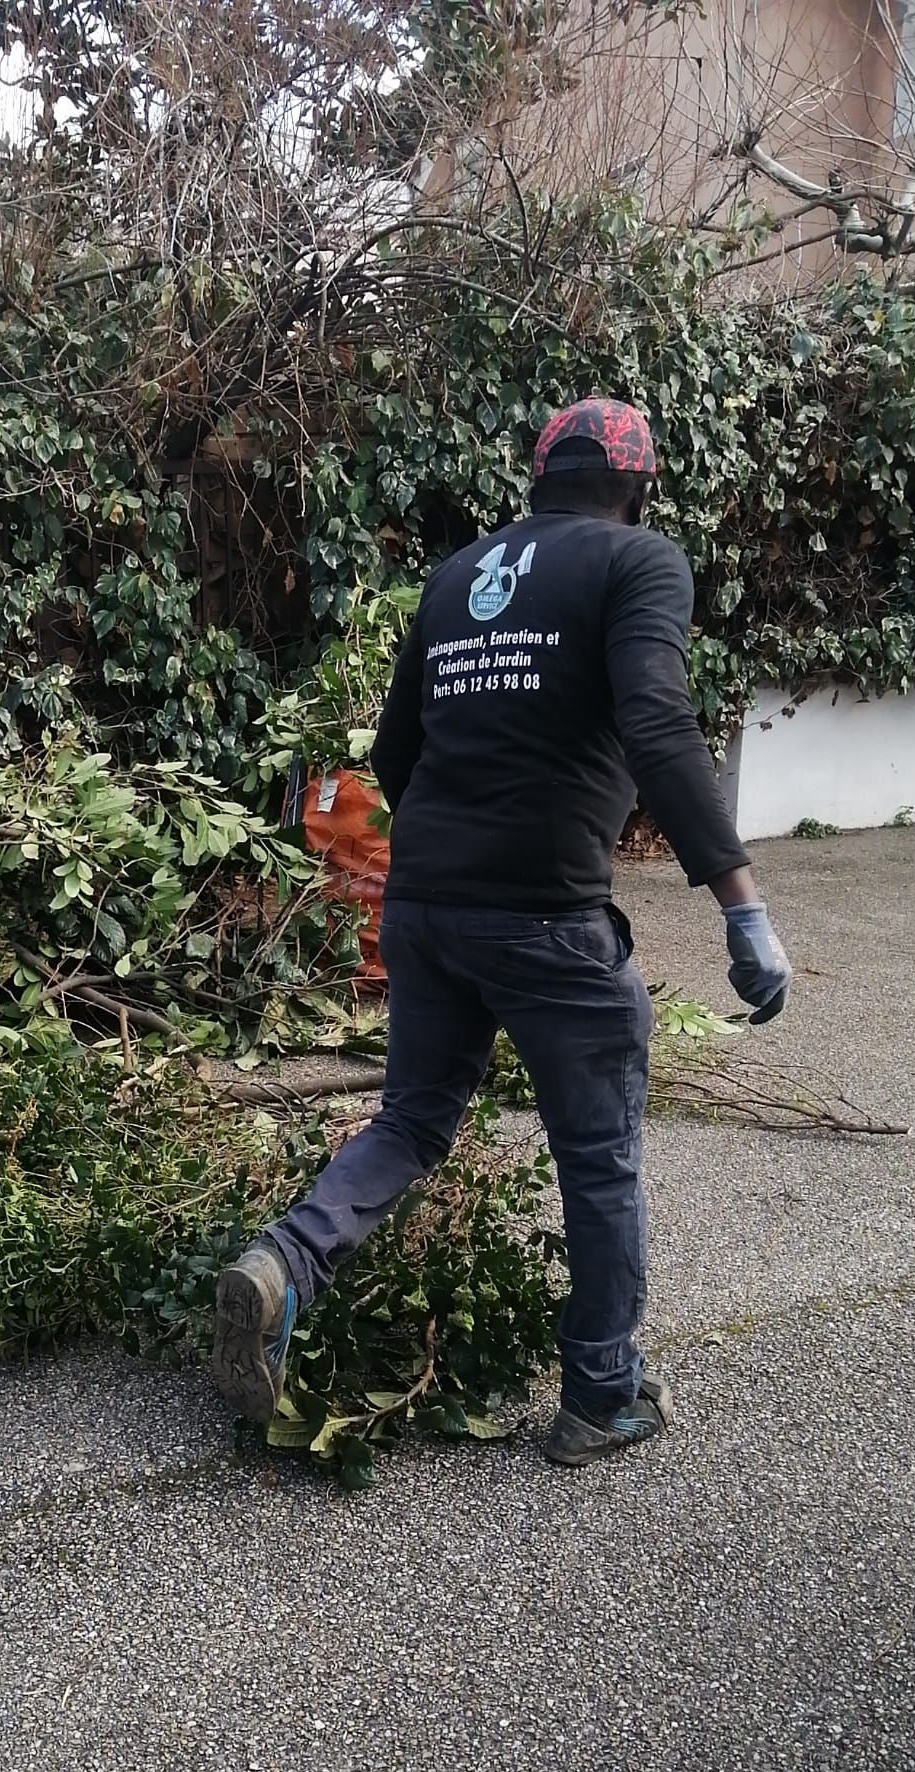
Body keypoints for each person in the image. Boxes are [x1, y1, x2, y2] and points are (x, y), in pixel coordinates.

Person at [209, 398, 791, 1467]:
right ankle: (602, 1396)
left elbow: (394, 748)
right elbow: (659, 724)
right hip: (550, 921)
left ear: (539, 477)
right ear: (636, 484)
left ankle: (286, 1261)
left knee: (416, 1118)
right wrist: (741, 901)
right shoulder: (639, 562)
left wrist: (451, 846)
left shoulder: (454, 576)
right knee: (598, 1157)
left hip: (425, 906)